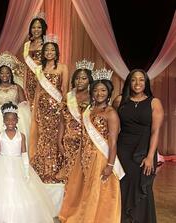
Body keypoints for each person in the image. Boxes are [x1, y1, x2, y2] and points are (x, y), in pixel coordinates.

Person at [0, 102, 56, 223]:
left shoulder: (22, 136)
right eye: (7, 120)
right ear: (3, 121)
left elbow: (24, 154)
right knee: (0, 192)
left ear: (17, 120)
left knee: (21, 193)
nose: (10, 123)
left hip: (17, 165)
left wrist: (26, 170)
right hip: (2, 165)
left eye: (13, 120)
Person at [59, 68, 125, 223]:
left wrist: (110, 164)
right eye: (95, 90)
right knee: (85, 189)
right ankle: (83, 216)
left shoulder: (111, 113)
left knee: (97, 190)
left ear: (109, 93)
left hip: (100, 156)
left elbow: (113, 142)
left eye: (103, 90)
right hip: (84, 155)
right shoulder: (89, 109)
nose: (99, 93)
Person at [113, 69, 164, 223]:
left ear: (146, 83)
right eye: (134, 80)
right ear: (129, 82)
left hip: (143, 151)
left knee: (142, 187)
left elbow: (155, 132)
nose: (137, 83)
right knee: (123, 186)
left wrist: (150, 157)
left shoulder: (154, 103)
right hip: (123, 150)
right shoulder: (119, 100)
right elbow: (112, 126)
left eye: (141, 80)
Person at [29, 35, 69, 183]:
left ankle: (55, 170)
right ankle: (42, 169)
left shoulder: (63, 67)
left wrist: (63, 105)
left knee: (55, 137)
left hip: (56, 108)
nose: (49, 52)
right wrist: (36, 110)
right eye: (47, 50)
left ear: (56, 52)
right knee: (43, 137)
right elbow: (38, 91)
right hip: (43, 108)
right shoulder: (39, 69)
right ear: (44, 52)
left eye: (52, 50)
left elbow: (65, 88)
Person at [56, 59, 94, 182]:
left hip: (87, 140)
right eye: (77, 78)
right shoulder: (68, 97)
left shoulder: (94, 97)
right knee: (70, 173)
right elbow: (62, 121)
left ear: (89, 80)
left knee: (84, 173)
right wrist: (59, 140)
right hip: (70, 141)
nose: (80, 81)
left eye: (84, 78)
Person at [23, 12, 48, 104]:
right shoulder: (27, 45)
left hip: (42, 78)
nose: (36, 30)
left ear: (43, 29)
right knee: (30, 105)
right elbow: (26, 66)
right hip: (30, 80)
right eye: (33, 27)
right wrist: (24, 83)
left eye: (39, 27)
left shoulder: (47, 44)